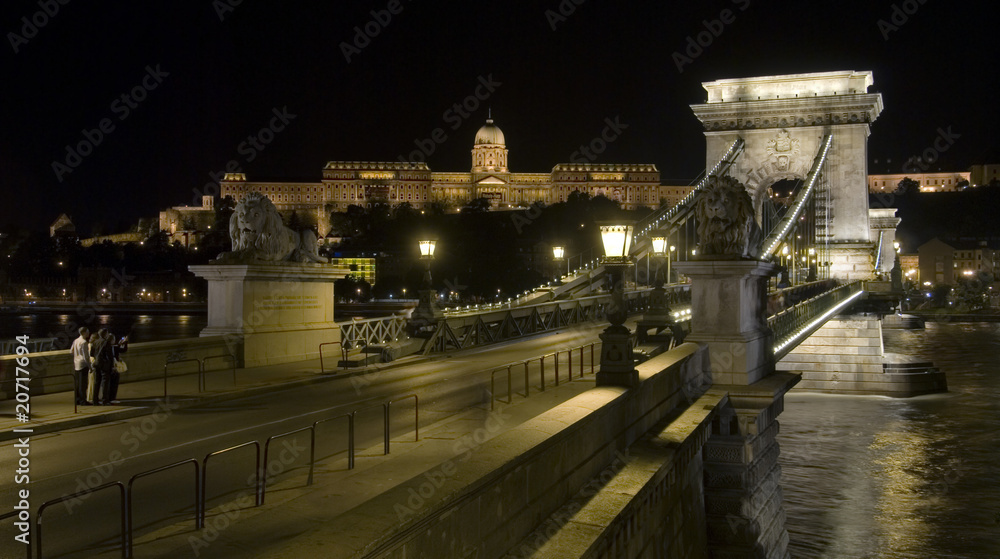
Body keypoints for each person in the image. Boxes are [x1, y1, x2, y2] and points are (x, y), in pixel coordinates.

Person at [89, 328, 114, 405]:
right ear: (105, 334)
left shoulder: (94, 342)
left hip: (96, 364)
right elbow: (110, 355)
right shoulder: (107, 343)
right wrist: (112, 365)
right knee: (105, 383)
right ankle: (104, 400)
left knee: (97, 382)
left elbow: (91, 354)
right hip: (105, 365)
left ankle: (95, 400)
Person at [70, 327, 91, 406]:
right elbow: (86, 356)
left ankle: (77, 399)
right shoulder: (84, 342)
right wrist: (90, 366)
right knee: (83, 384)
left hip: (76, 364)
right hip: (83, 364)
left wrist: (77, 356)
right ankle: (83, 401)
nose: (88, 333)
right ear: (84, 333)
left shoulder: (76, 341)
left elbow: (71, 351)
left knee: (78, 383)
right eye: (87, 332)